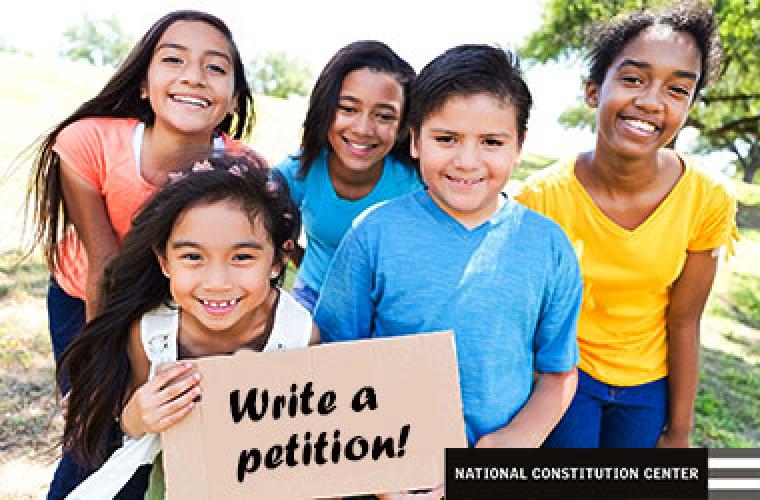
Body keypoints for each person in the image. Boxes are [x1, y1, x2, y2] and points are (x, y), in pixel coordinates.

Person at [315, 45, 582, 498]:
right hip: (389, 471)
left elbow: (558, 374)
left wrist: (515, 442)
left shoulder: (548, 246)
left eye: (492, 143)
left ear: (518, 146)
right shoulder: (374, 233)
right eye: (446, 139)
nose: (467, 161)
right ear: (415, 140)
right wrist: (376, 465)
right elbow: (333, 357)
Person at [25, 10, 257, 498]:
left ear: (233, 99)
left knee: (158, 426)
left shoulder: (243, 170)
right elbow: (105, 271)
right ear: (145, 86)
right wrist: (96, 380)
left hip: (180, 306)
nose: (194, 75)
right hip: (87, 298)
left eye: (216, 67)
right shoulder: (88, 142)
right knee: (96, 431)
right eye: (174, 59)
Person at [516, 0, 737, 448]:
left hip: (647, 388)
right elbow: (522, 323)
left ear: (691, 106)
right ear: (593, 90)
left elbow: (685, 321)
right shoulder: (540, 198)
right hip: (564, 379)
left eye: (678, 90)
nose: (651, 101)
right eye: (633, 79)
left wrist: (679, 432)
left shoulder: (707, 199)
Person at [58, 154, 317, 499]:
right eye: (193, 257)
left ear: (277, 261)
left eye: (242, 257)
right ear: (165, 261)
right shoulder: (152, 332)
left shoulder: (297, 334)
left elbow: (311, 438)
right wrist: (137, 416)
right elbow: (126, 426)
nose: (217, 282)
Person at [275, 41, 422, 312]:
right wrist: (305, 262)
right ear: (325, 110)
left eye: (384, 116)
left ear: (403, 126)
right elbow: (265, 238)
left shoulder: (417, 182)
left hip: (389, 308)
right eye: (348, 109)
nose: (363, 129)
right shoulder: (297, 173)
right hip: (313, 298)